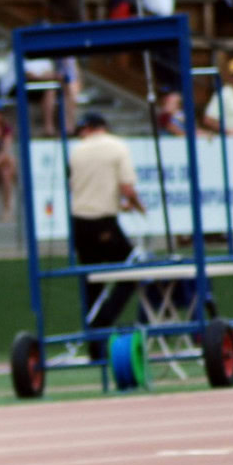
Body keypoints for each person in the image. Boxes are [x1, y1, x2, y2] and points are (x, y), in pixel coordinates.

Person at [68, 112, 145, 354]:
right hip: (104, 223)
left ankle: (95, 345)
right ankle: (103, 320)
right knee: (132, 270)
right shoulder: (117, 147)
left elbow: (84, 188)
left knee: (92, 281)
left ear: (89, 128)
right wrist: (136, 204)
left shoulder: (77, 151)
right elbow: (127, 187)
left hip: (80, 224)